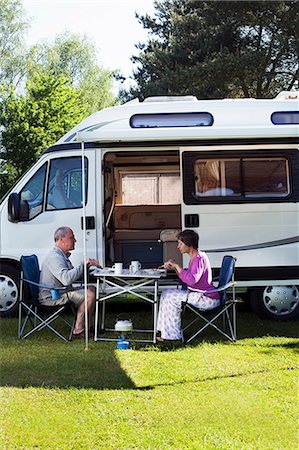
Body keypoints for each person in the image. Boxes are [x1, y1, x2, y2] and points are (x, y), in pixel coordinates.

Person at [157, 230, 220, 342]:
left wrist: (177, 266)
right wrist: (176, 267)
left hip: (207, 298)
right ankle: (164, 332)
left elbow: (191, 281)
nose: (178, 246)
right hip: (200, 295)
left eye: (181, 244)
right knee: (166, 293)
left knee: (170, 297)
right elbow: (187, 278)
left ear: (189, 245)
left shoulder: (199, 259)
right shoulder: (195, 257)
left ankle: (173, 336)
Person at [39, 226, 101, 339]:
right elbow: (66, 279)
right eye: (72, 237)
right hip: (53, 297)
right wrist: (82, 264)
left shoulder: (61, 255)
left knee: (92, 288)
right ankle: (78, 329)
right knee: (90, 294)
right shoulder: (55, 257)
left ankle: (89, 326)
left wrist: (87, 267)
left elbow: (73, 275)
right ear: (61, 239)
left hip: (61, 291)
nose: (75, 240)